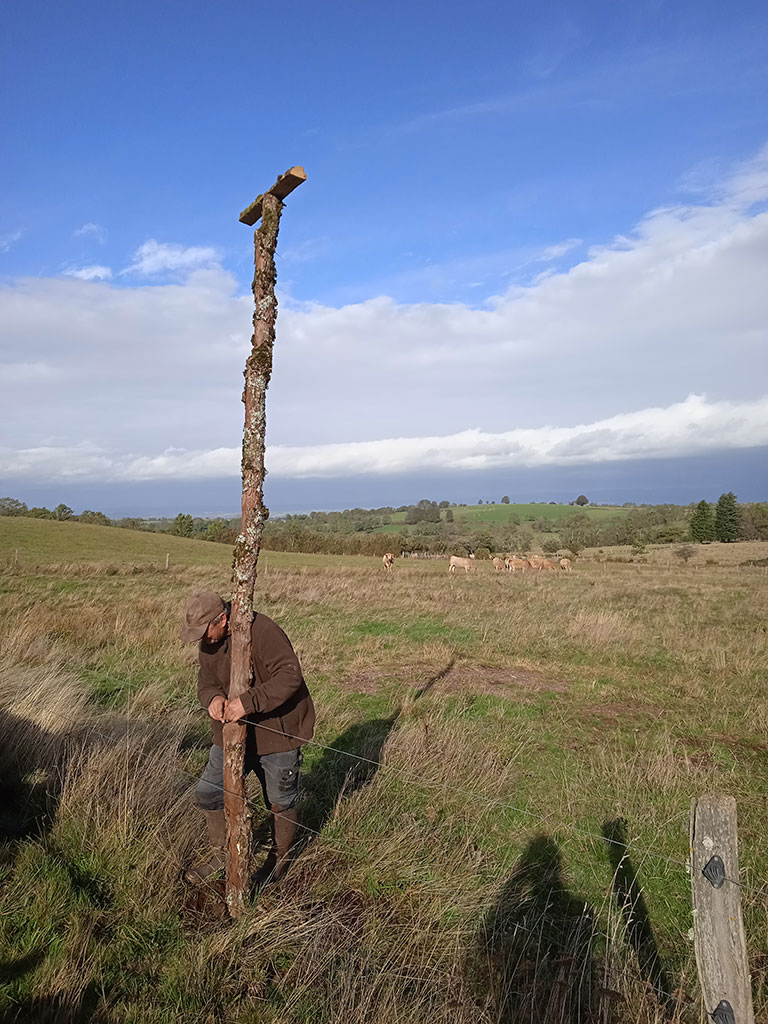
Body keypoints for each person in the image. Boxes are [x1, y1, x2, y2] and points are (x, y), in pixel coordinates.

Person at [179, 591, 315, 885]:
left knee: (279, 802)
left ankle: (278, 862)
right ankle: (223, 854)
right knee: (208, 793)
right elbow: (205, 682)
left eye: (204, 631)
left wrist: (249, 702)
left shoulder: (263, 630)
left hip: (277, 733)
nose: (202, 640)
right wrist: (212, 698)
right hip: (230, 735)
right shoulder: (209, 642)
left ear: (223, 619)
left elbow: (290, 676)